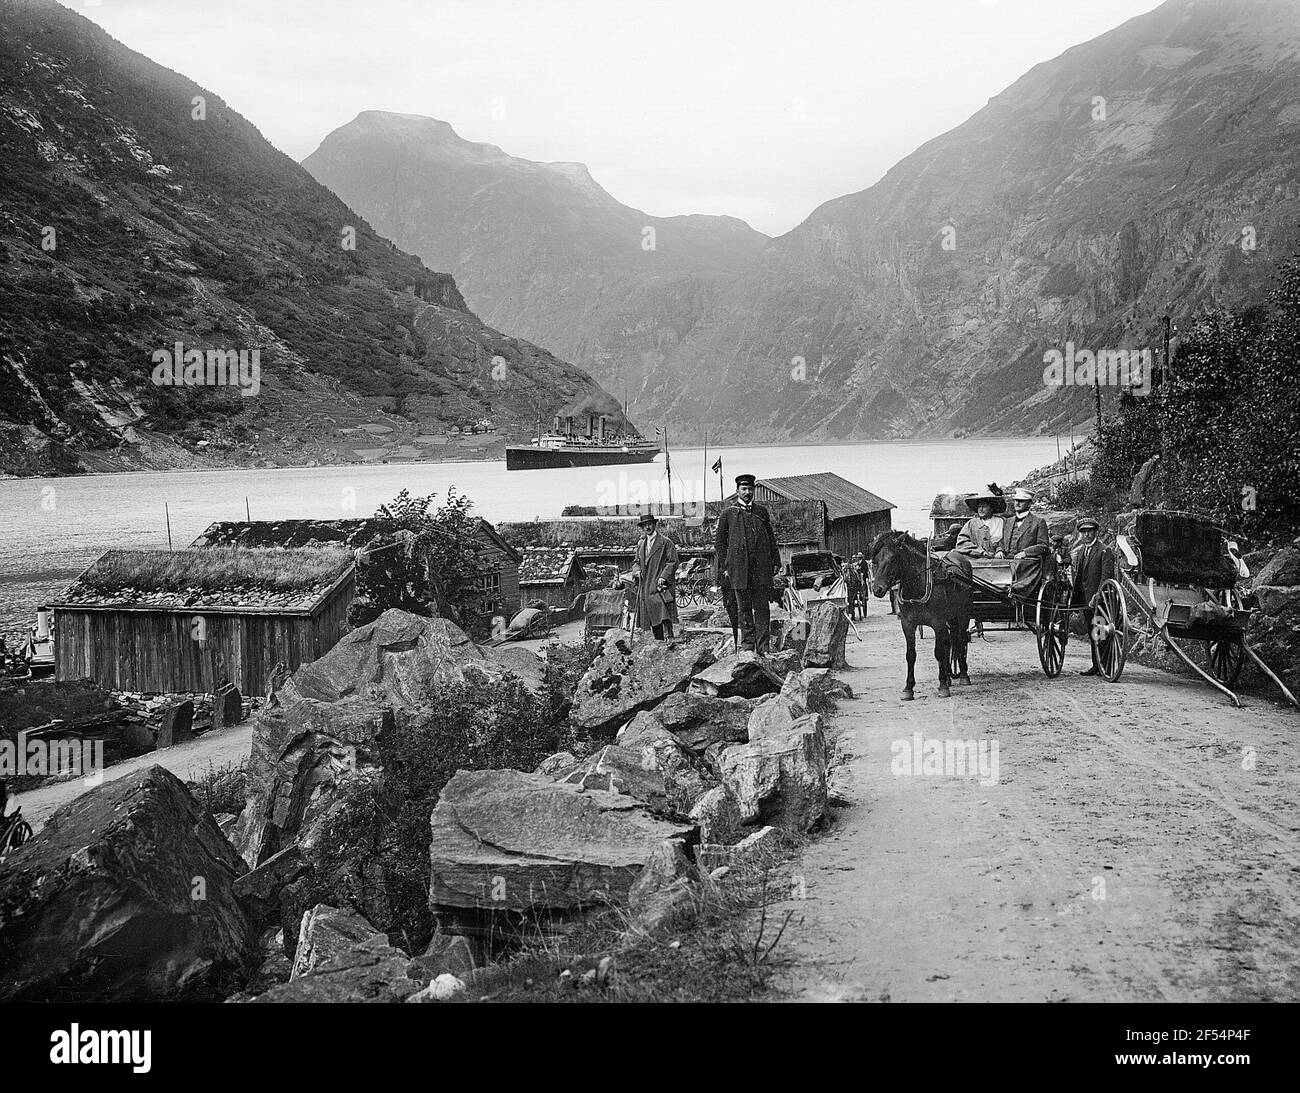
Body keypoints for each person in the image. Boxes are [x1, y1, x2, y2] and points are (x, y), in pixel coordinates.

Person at [714, 474, 780, 655]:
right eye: (744, 489)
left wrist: (776, 561)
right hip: (739, 571)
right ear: (737, 491)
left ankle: (764, 648)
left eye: (750, 489)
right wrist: (726, 566)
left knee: (762, 609)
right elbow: (719, 543)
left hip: (760, 571)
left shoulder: (761, 512)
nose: (747, 492)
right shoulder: (728, 514)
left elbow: (771, 538)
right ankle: (748, 647)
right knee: (743, 610)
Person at [617, 512, 679, 640]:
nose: (647, 527)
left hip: (660, 582)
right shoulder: (641, 544)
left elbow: (673, 561)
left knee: (663, 608)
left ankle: (670, 637)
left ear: (654, 525)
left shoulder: (666, 542)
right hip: (646, 583)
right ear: (642, 528)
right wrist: (637, 570)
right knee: (652, 612)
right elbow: (636, 562)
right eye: (644, 525)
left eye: (650, 524)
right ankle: (659, 639)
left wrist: (663, 576)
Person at [1071, 516, 1115, 675]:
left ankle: (1105, 666)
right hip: (1085, 598)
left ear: (1095, 532)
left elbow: (1106, 577)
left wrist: (1098, 595)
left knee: (1101, 632)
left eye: (1089, 531)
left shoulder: (1104, 550)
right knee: (1092, 632)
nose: (1086, 534)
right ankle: (1096, 665)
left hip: (1099, 599)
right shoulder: (1082, 550)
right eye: (1083, 532)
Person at [996, 487, 1050, 598]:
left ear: (1029, 504)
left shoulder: (1038, 522)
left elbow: (1043, 546)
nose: (1018, 503)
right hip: (1006, 560)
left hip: (1026, 564)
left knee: (1017, 567)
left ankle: (1015, 591)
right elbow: (1001, 541)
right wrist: (1000, 550)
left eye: (1021, 501)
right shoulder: (1008, 521)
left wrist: (1025, 553)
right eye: (1016, 500)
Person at [954, 486, 1006, 558]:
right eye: (979, 506)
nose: (981, 509)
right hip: (976, 561)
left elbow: (1006, 541)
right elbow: (962, 543)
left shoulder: (1001, 522)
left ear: (991, 508)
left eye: (984, 506)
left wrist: (1000, 550)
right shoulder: (972, 523)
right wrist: (980, 551)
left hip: (999, 560)